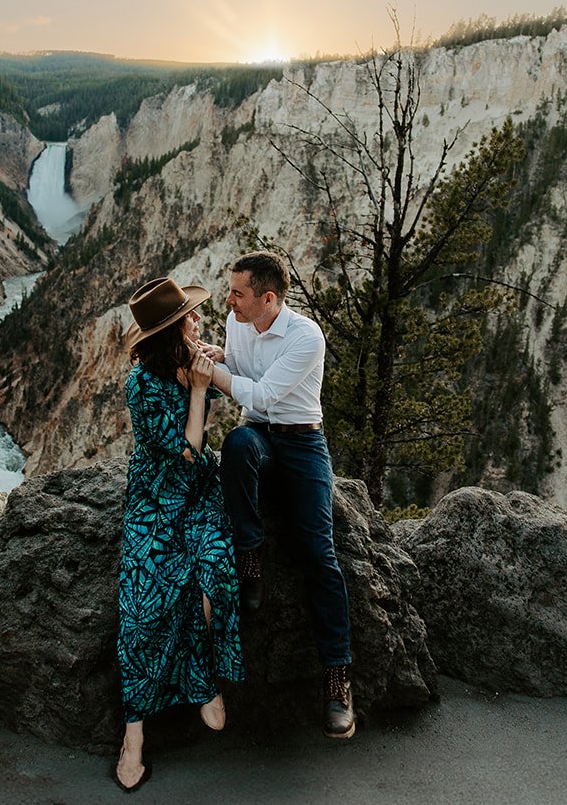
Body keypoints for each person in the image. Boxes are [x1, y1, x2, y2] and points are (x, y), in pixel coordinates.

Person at [200, 250, 355, 739]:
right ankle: (250, 558)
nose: (229, 300)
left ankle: (337, 679)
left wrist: (215, 375)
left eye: (238, 293)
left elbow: (263, 393)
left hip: (304, 442)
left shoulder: (306, 336)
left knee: (319, 555)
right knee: (238, 442)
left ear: (268, 297)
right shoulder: (236, 322)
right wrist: (220, 357)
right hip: (260, 439)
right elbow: (244, 380)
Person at [114, 276, 243, 792]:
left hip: (198, 495)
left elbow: (242, 377)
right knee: (143, 605)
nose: (197, 321)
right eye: (189, 318)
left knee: (214, 582)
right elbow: (188, 448)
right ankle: (133, 736)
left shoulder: (193, 358)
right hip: (156, 498)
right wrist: (197, 391)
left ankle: (204, 681)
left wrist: (220, 362)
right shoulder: (141, 385)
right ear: (169, 332)